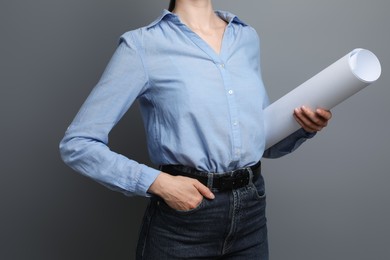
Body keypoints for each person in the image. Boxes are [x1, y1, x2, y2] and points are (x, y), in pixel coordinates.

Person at [59, 0, 332, 259]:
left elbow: (261, 142)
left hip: (252, 213)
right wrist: (158, 183)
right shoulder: (143, 45)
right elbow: (78, 144)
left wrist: (301, 127)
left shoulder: (246, 38)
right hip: (184, 222)